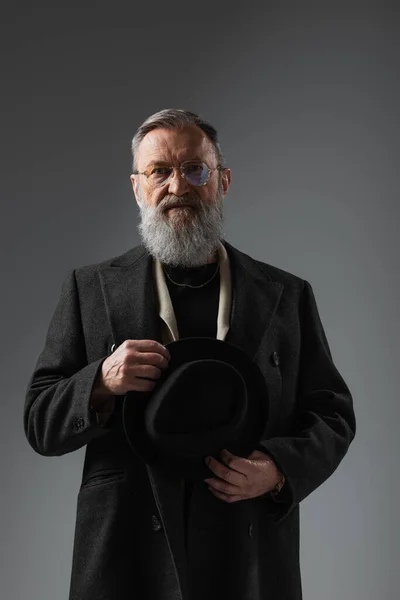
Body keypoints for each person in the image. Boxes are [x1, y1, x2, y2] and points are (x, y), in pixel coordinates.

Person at [24, 108, 356, 600]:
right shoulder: (89, 289)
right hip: (126, 550)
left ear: (222, 181)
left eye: (194, 169)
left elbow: (333, 414)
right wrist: (101, 380)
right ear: (137, 187)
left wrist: (278, 470)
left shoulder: (286, 294)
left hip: (247, 549)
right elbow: (39, 422)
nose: (177, 185)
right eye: (159, 171)